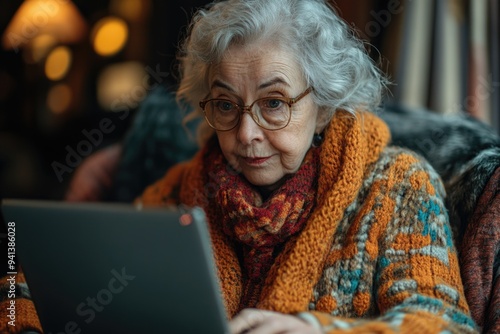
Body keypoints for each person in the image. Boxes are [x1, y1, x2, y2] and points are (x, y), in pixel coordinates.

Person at [136, 0, 478, 333]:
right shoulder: (176, 193)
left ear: (325, 107)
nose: (246, 133)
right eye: (226, 104)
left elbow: (444, 324)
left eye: (273, 103)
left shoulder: (398, 185)